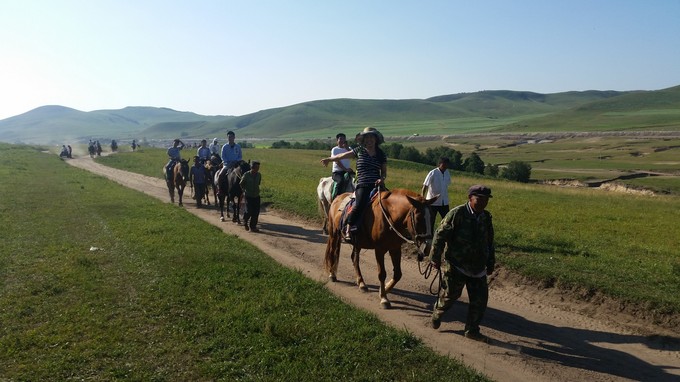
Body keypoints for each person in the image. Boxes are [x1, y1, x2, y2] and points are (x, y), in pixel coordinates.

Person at [429, 185, 495, 342]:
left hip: (478, 267)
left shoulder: (486, 217)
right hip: (457, 265)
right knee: (450, 295)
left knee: (480, 300)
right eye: (479, 199)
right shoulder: (457, 214)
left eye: (486, 200)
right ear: (470, 198)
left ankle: (472, 330)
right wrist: (435, 257)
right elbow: (439, 236)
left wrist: (491, 261)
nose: (483, 203)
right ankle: (438, 312)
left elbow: (489, 241)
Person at [321, 127, 387, 240]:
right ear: (364, 140)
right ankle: (349, 226)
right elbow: (342, 156)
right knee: (359, 204)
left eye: (372, 137)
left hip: (377, 185)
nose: (369, 140)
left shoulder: (381, 154)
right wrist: (329, 159)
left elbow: (384, 172)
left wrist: (382, 179)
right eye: (367, 138)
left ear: (376, 139)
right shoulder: (359, 150)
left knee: (388, 204)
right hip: (363, 184)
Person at [422, 157, 452, 229]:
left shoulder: (447, 173)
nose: (445, 167)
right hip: (433, 202)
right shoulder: (433, 173)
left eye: (446, 165)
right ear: (439, 164)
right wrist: (422, 198)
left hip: (444, 202)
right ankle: (429, 237)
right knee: (431, 221)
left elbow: (447, 184)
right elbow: (425, 186)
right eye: (443, 165)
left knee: (447, 221)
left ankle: (444, 236)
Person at [240, 160, 262, 232]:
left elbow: (258, 183)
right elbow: (241, 184)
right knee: (249, 211)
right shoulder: (246, 175)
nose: (257, 169)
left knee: (256, 212)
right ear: (252, 167)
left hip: (256, 196)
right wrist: (244, 191)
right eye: (256, 167)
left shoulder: (259, 175)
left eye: (258, 167)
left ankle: (253, 227)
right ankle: (245, 221)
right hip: (248, 196)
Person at [330, 133, 353, 201]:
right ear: (337, 140)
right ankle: (336, 198)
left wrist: (347, 148)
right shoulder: (335, 149)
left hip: (347, 171)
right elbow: (337, 161)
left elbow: (354, 155)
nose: (342, 140)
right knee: (340, 181)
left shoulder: (349, 149)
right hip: (337, 172)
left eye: (343, 139)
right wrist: (345, 169)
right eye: (340, 139)